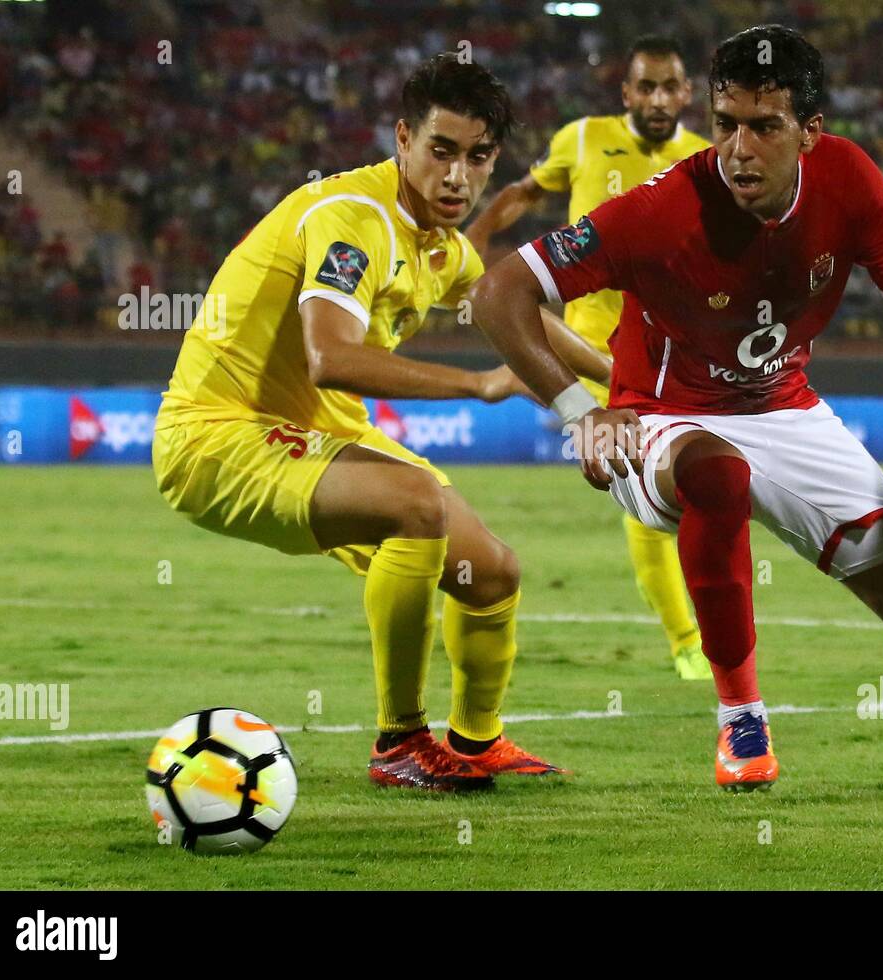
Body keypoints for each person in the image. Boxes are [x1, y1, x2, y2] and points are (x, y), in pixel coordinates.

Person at [470, 26, 883, 806]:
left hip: (784, 406)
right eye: (727, 120)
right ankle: (741, 715)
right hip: (660, 414)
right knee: (718, 471)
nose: (739, 146)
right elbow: (499, 292)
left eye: (764, 127)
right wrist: (581, 413)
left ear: (810, 132)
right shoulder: (663, 207)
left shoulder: (853, 182)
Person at [153, 54, 608, 792]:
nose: (458, 175)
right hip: (217, 432)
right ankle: (400, 741)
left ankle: (474, 742)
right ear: (402, 139)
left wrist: (622, 381)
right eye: (442, 151)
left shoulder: (443, 242)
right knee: (416, 504)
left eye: (478, 157)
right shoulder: (352, 221)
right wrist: (480, 386)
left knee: (491, 572)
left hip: (315, 434)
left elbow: (514, 308)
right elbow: (331, 357)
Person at [467, 35, 714, 681]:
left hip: (677, 351)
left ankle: (705, 630)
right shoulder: (582, 138)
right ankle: (688, 641)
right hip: (597, 350)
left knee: (699, 486)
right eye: (647, 87)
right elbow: (527, 190)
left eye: (670, 87)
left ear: (686, 94)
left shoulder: (707, 160)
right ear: (627, 92)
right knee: (640, 490)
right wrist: (481, 232)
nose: (659, 99)